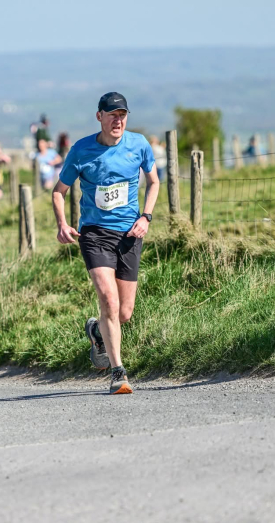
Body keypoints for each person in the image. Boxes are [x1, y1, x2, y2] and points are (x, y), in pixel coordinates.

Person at [50, 92, 159, 395]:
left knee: (124, 313)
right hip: (95, 234)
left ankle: (97, 330)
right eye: (112, 115)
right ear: (99, 116)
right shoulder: (82, 150)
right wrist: (62, 223)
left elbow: (154, 182)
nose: (118, 120)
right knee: (108, 300)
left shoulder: (138, 145)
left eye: (122, 114)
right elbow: (59, 191)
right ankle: (118, 372)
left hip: (129, 235)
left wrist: (146, 217)